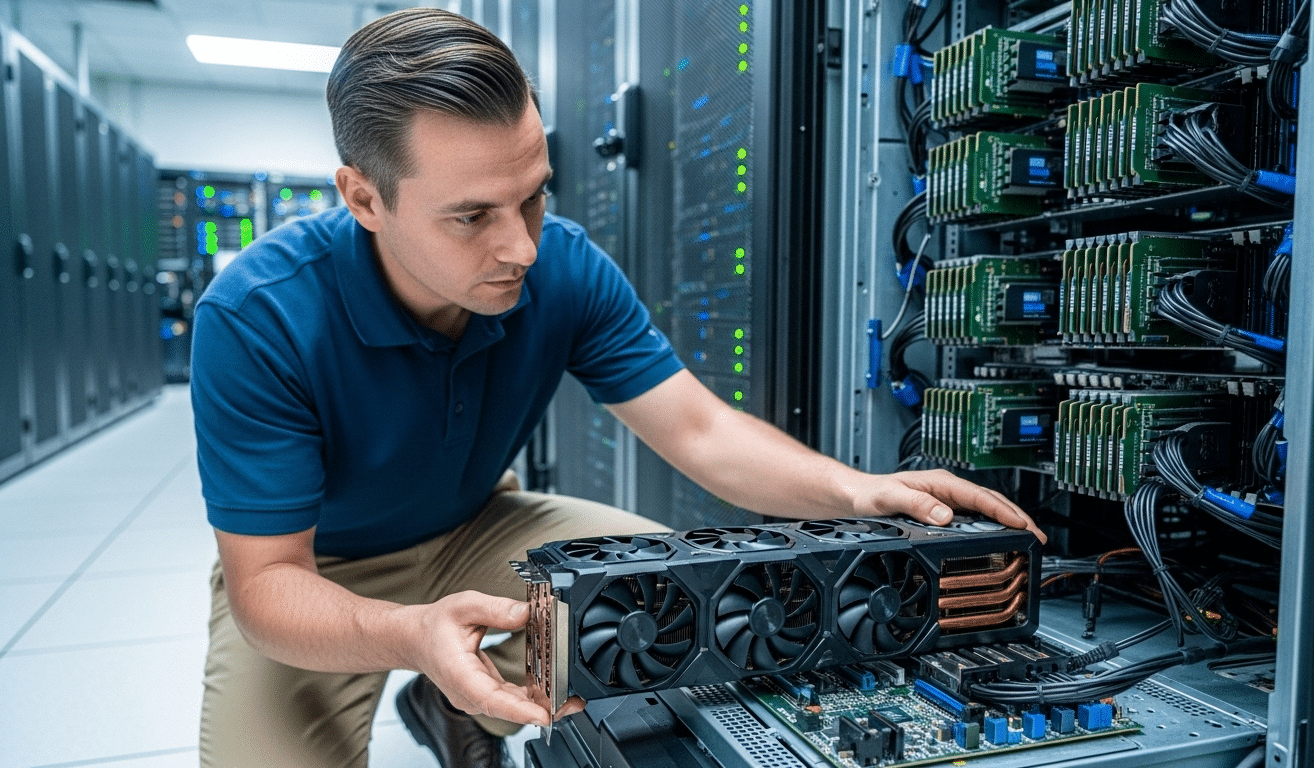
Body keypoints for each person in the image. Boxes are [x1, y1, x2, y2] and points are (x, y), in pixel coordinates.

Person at [190, 7, 1044, 768]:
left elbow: (699, 430)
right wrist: (411, 633)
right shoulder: (258, 316)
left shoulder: (561, 264)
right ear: (364, 198)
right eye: (472, 216)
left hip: (477, 522)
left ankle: (451, 709)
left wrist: (856, 490)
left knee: (684, 610)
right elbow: (267, 586)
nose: (520, 247)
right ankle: (440, 680)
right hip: (319, 569)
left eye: (532, 196)